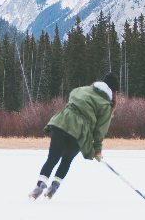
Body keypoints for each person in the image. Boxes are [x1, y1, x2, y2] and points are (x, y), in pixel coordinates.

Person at [29, 72, 120, 200]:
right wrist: (97, 150)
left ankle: (38, 187)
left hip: (62, 123)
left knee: (52, 158)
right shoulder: (106, 105)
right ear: (114, 92)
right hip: (79, 133)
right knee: (66, 160)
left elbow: (72, 96)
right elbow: (100, 131)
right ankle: (53, 187)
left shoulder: (81, 89)